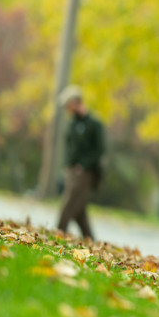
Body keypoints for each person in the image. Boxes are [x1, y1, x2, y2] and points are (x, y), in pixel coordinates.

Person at [56, 85, 105, 240]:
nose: (67, 109)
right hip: (71, 170)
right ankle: (90, 239)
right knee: (79, 210)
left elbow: (99, 150)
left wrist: (83, 165)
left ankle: (59, 231)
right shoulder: (72, 124)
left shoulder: (94, 124)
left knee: (70, 203)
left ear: (76, 102)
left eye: (68, 105)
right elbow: (69, 146)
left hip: (86, 172)